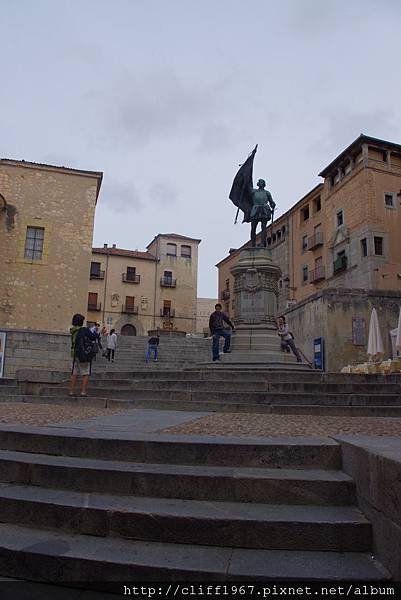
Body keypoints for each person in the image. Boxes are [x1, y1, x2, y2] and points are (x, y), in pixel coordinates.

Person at [69, 313, 98, 396]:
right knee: (86, 373)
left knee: (74, 373)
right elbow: (93, 337)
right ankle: (83, 392)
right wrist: (95, 331)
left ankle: (71, 391)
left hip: (75, 354)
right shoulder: (84, 330)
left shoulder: (73, 330)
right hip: (83, 354)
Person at [249, 179, 276, 247]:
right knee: (253, 228)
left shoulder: (267, 193)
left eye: (261, 182)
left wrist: (273, 205)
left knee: (263, 227)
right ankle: (253, 244)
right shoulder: (254, 191)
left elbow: (271, 202)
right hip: (255, 210)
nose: (260, 183)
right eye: (259, 182)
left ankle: (262, 243)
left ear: (264, 184)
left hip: (264, 210)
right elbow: (247, 188)